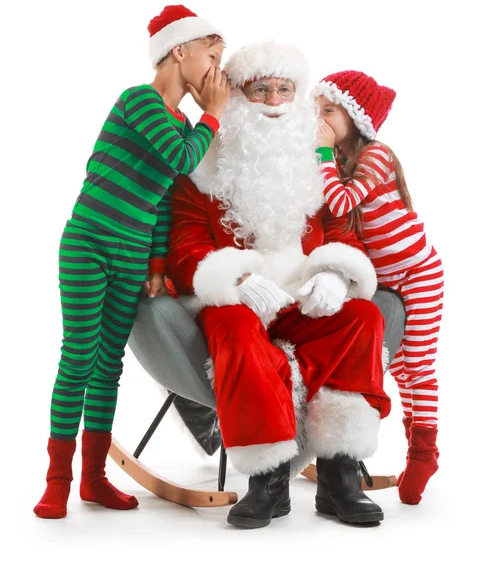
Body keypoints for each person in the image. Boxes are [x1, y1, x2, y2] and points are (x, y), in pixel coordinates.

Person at [165, 41, 392, 529]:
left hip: (301, 301)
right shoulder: (202, 165)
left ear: (298, 96)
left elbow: (341, 232)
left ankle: (339, 475)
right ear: (239, 97)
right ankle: (267, 480)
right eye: (260, 89)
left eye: (284, 89)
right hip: (239, 303)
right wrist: (239, 279)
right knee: (233, 327)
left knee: (363, 317)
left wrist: (333, 272)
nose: (273, 101)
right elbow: (184, 246)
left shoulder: (314, 162)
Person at [34, 4, 231, 519]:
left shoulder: (186, 123)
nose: (216, 71)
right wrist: (214, 113)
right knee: (78, 353)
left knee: (108, 365)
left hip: (132, 254)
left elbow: (167, 196)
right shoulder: (140, 101)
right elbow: (182, 158)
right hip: (89, 242)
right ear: (179, 51)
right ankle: (58, 479)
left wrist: (157, 264)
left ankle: (94, 479)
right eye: (211, 56)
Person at [314, 70, 443, 505]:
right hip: (386, 281)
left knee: (418, 365)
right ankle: (410, 446)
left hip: (419, 272)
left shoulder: (376, 156)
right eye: (316, 110)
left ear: (354, 116)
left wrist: (318, 151)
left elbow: (342, 201)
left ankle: (424, 451)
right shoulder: (339, 160)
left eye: (328, 110)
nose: (320, 118)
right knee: (399, 367)